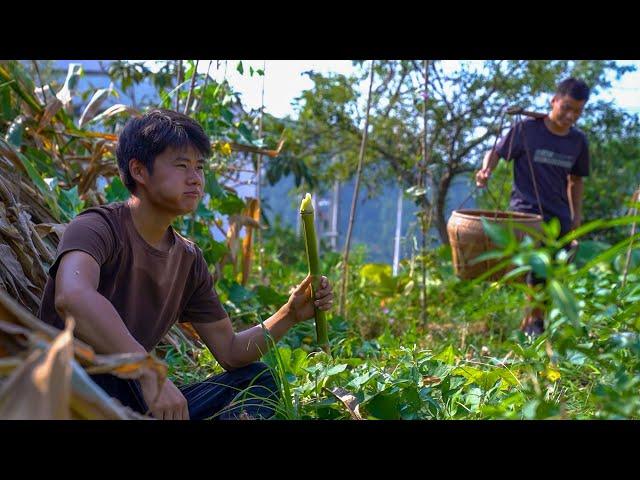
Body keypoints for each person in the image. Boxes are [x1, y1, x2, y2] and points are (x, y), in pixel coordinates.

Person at [38, 109, 334, 419]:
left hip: (130, 401)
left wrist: (289, 314)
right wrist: (147, 369)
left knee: (257, 379)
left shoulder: (188, 260)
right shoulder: (97, 228)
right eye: (181, 166)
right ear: (139, 171)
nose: (195, 179)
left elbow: (231, 352)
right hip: (68, 393)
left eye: (200, 167)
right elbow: (72, 297)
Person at [475, 78, 590, 337]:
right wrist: (486, 171)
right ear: (554, 101)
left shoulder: (578, 141)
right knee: (535, 272)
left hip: (558, 218)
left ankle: (534, 327)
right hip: (525, 215)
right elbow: (496, 152)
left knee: (549, 275)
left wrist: (576, 215)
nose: (571, 116)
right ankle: (532, 327)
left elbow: (576, 180)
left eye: (577, 111)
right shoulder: (527, 130)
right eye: (567, 107)